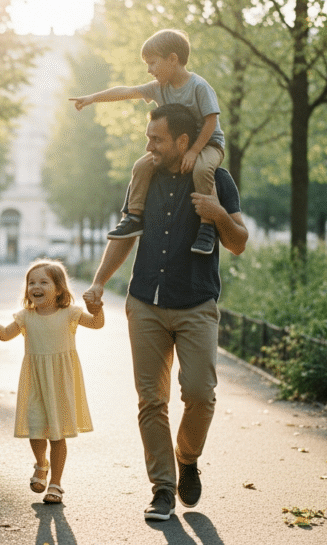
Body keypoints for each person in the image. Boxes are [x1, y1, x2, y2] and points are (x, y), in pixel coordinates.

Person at [82, 104, 248, 521]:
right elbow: (126, 233)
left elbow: (240, 242)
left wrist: (218, 214)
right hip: (146, 304)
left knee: (199, 394)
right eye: (148, 137)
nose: (148, 146)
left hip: (196, 304)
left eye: (156, 139)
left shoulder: (218, 179)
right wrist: (100, 280)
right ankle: (162, 488)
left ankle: (187, 457)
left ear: (183, 142)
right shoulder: (145, 176)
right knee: (152, 401)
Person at [70, 28, 225, 255]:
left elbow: (211, 121)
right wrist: (93, 98)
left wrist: (193, 151)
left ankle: (207, 228)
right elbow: (126, 91)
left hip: (207, 144)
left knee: (201, 170)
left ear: (173, 59)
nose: (149, 70)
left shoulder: (199, 87)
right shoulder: (159, 88)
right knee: (141, 166)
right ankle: (134, 217)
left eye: (152, 63)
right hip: (176, 148)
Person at [0, 259, 104, 504]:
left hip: (60, 383)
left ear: (59, 289)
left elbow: (97, 324)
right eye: (31, 282)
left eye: (44, 282)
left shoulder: (71, 314)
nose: (36, 286)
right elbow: (5, 334)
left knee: (57, 434)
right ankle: (40, 464)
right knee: (35, 429)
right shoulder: (26, 316)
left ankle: (55, 483)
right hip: (35, 382)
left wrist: (97, 308)